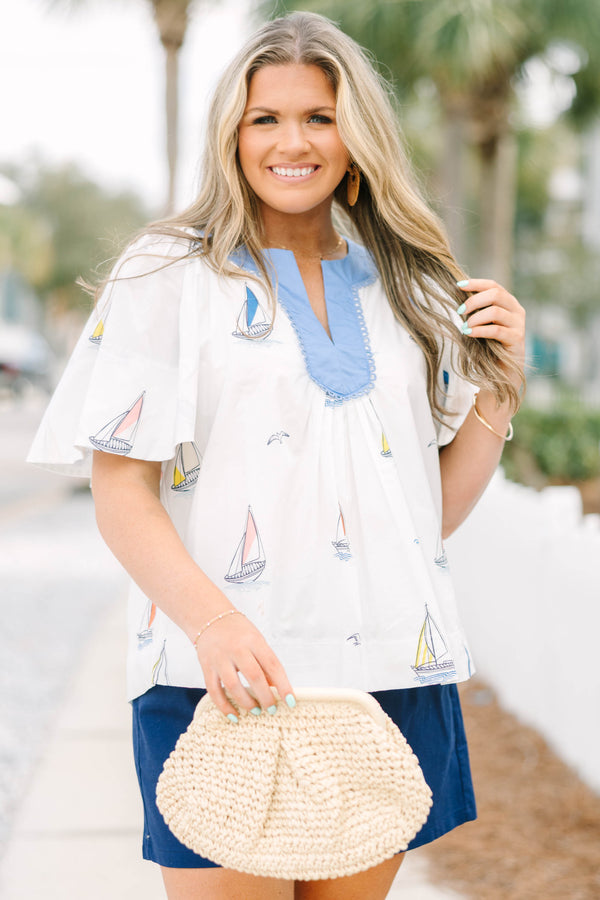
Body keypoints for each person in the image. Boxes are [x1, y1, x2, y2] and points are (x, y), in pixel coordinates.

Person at [28, 10, 525, 900]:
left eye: (319, 117)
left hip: (387, 677)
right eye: (267, 118)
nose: (292, 142)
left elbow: (425, 514)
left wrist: (496, 392)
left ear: (356, 134)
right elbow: (121, 490)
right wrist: (216, 627)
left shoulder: (410, 281)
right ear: (233, 132)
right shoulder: (166, 272)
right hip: (223, 680)